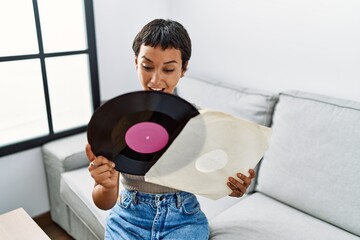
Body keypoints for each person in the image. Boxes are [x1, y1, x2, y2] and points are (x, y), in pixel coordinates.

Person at [86, 18, 256, 240]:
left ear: (183, 68)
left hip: (183, 220)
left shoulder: (199, 121)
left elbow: (215, 174)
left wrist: (231, 186)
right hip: (128, 220)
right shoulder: (116, 119)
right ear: (136, 62)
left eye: (168, 69)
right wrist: (106, 186)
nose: (156, 79)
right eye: (147, 66)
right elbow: (103, 202)